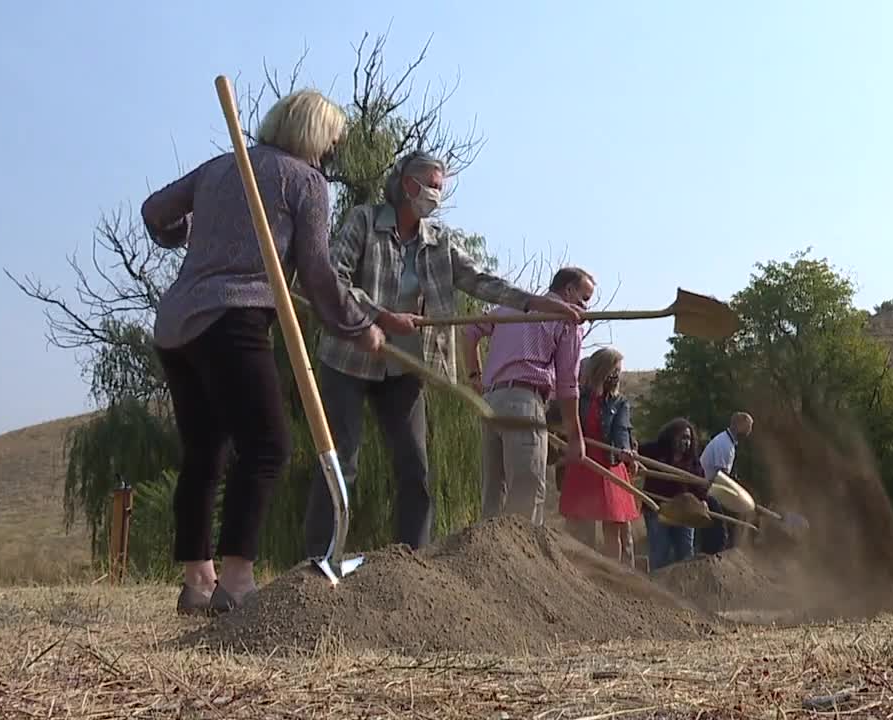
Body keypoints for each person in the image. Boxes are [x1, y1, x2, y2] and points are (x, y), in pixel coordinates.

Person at [143, 89, 395, 614]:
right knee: (267, 446)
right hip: (232, 319)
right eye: (331, 141)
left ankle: (197, 582)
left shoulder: (221, 167)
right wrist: (359, 325)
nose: (331, 152)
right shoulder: (305, 182)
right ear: (314, 134)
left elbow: (155, 212)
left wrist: (188, 233)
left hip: (176, 326)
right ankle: (236, 583)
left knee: (204, 451)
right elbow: (320, 274)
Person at [305, 151, 580, 555]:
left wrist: (538, 303)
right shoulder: (364, 221)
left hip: (408, 366)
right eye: (431, 184)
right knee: (343, 460)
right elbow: (334, 278)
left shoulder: (439, 241)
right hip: (350, 357)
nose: (436, 193)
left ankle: (413, 562)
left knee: (415, 468)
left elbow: (482, 282)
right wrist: (382, 315)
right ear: (406, 184)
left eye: (440, 186)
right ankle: (319, 559)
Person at [464, 267, 595, 525]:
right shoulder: (568, 319)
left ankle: (484, 559)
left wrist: (474, 377)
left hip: (491, 403)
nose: (585, 307)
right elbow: (568, 384)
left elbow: (469, 332)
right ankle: (520, 561)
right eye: (585, 298)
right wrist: (575, 437)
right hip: (525, 402)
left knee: (493, 493)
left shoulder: (512, 307)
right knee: (526, 492)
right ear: (568, 291)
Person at [557, 348, 641, 565]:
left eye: (620, 371)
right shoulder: (577, 397)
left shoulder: (619, 403)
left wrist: (624, 449)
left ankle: (613, 575)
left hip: (608, 466)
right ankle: (579, 573)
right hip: (582, 462)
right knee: (578, 526)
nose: (618, 376)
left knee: (613, 527)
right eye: (615, 370)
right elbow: (558, 417)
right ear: (602, 369)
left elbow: (621, 429)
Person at [639, 418, 706, 571]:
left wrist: (702, 501)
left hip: (684, 513)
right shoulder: (655, 451)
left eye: (688, 438)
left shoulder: (693, 462)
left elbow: (700, 486)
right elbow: (635, 454)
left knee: (685, 555)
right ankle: (656, 588)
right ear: (672, 436)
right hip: (657, 509)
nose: (686, 442)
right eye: (682, 437)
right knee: (660, 553)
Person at [696, 412, 754, 555]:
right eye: (748, 427)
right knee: (724, 529)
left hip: (712, 488)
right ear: (739, 425)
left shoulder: (728, 442)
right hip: (706, 490)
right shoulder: (724, 445)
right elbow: (721, 478)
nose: (749, 431)